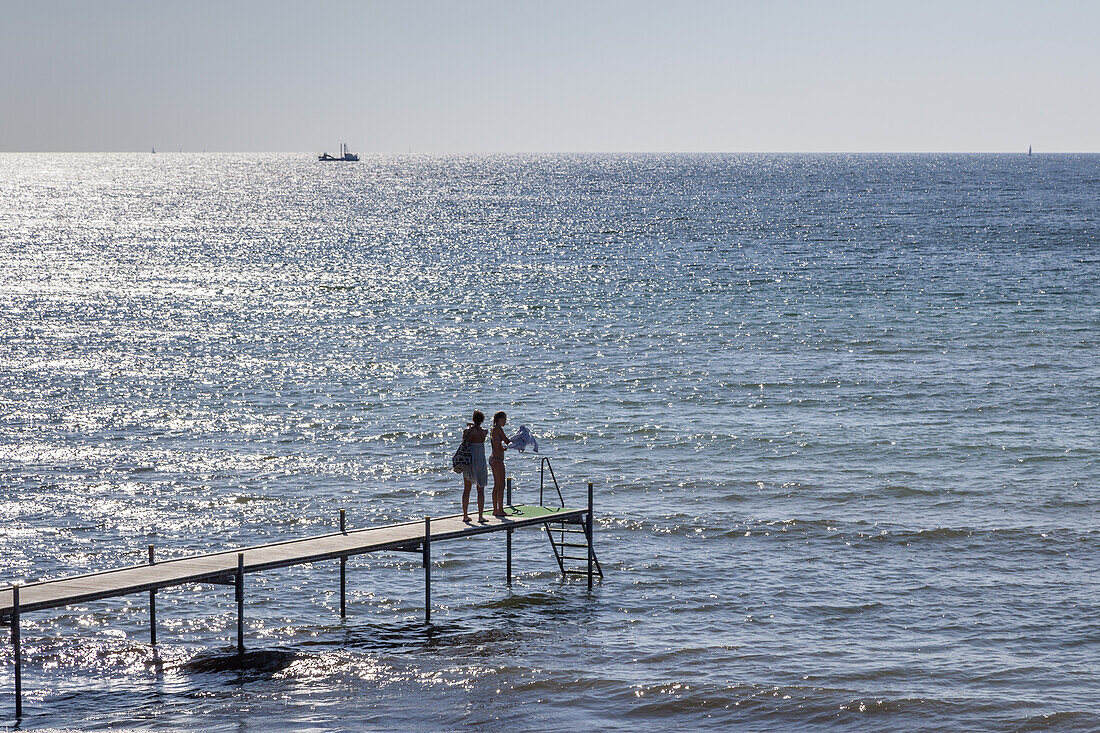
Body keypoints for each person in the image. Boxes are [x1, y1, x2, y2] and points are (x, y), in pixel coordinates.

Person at [461, 410, 489, 523]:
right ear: (482, 420)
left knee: (467, 489)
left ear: (473, 419)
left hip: (469, 460)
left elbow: (464, 441)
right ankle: (480, 516)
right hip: (480, 461)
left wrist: (470, 426)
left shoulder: (467, 432)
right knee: (480, 489)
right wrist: (475, 425)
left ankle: (465, 515)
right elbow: (480, 428)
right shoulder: (484, 432)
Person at [489, 411, 511, 517]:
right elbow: (507, 442)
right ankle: (501, 509)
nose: (505, 421)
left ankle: (495, 509)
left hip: (493, 458)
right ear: (499, 419)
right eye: (504, 419)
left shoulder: (493, 430)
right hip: (498, 460)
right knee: (501, 485)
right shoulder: (499, 429)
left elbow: (498, 446)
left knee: (496, 485)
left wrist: (503, 448)